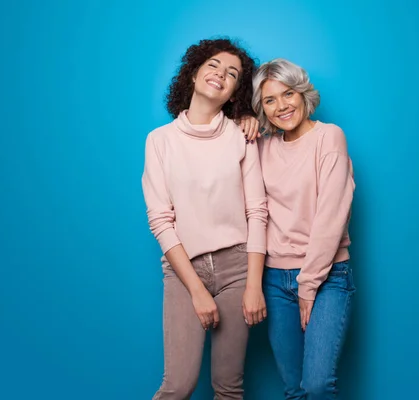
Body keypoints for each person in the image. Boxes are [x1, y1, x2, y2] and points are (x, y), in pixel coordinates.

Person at [141, 38, 268, 400]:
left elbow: (257, 212)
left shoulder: (243, 136)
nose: (220, 74)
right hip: (184, 271)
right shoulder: (160, 141)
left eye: (232, 73)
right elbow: (161, 220)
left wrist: (254, 285)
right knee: (178, 385)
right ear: (194, 72)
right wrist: (196, 290)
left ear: (234, 93)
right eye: (213, 64)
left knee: (229, 387)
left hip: (238, 269)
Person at [250, 58, 356, 399]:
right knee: (294, 389)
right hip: (275, 281)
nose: (282, 106)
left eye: (288, 94)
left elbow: (331, 216)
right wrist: (241, 122)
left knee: (317, 385)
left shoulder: (329, 137)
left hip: (326, 277)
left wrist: (308, 284)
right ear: (261, 108)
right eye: (270, 100)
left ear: (303, 94)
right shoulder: (262, 148)